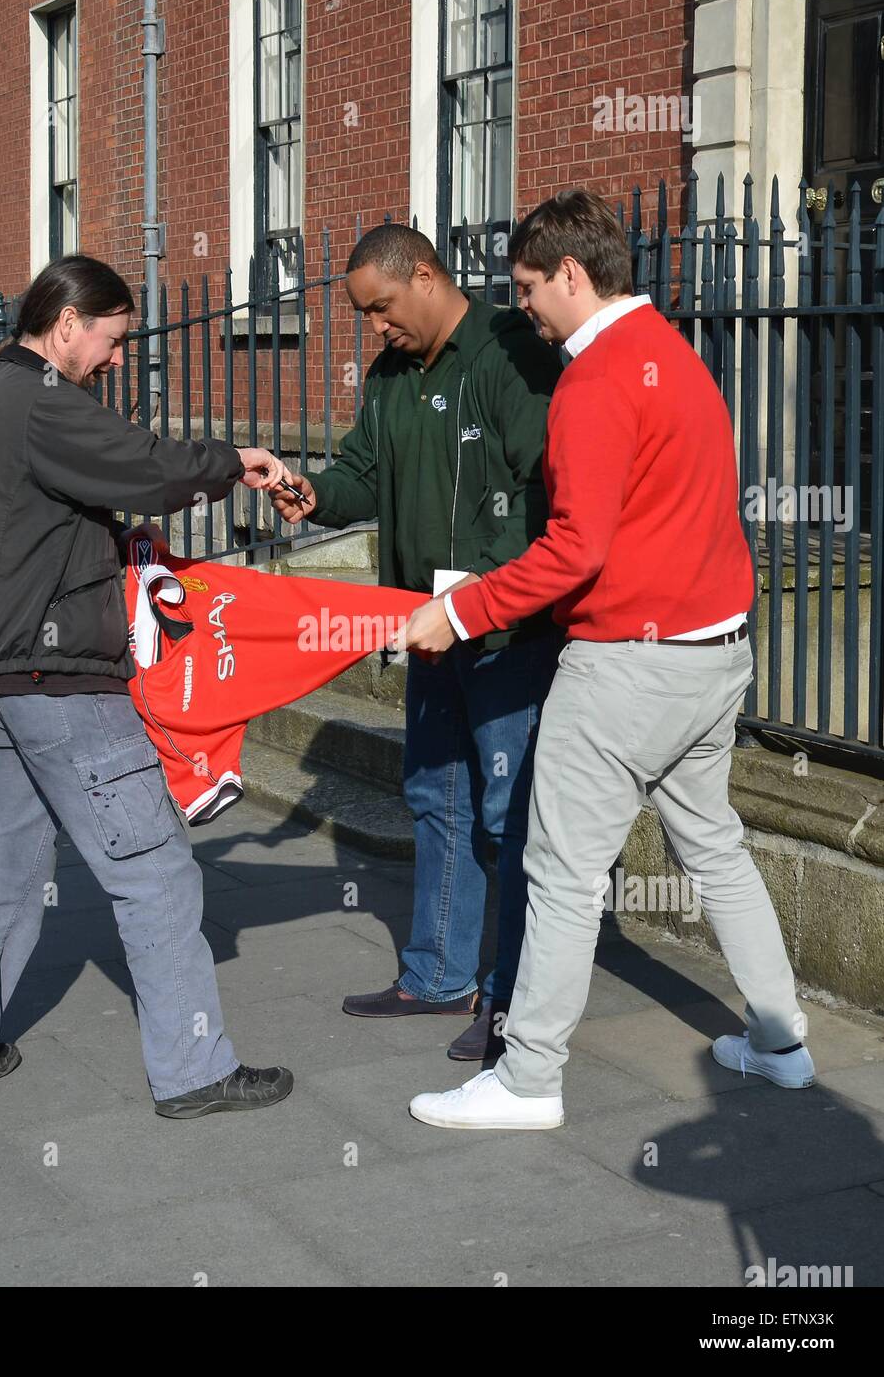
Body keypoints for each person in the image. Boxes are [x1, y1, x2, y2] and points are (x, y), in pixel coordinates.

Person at [400, 190, 814, 1129]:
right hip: (715, 657)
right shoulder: (675, 356)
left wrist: (458, 613)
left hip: (628, 667)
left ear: (572, 276)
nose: (524, 309)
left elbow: (571, 550)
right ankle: (783, 1045)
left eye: (528, 288)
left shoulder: (593, 382)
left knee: (556, 870)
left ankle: (527, 1078)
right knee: (715, 850)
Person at [0, 254, 293, 1120]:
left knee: (3, 867)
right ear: (69, 323)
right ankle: (194, 1071)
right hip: (58, 678)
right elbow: (147, 467)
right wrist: (234, 460)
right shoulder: (42, 399)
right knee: (152, 866)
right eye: (114, 339)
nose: (118, 358)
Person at [270, 224, 563, 1061]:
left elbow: (545, 490)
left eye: (383, 309)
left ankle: (513, 1004)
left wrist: (486, 591)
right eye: (364, 314)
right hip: (426, 627)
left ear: (426, 277)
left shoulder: (511, 353)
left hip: (509, 629)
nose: (376, 328)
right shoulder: (391, 375)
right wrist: (308, 492)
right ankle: (437, 978)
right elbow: (362, 473)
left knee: (510, 817)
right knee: (436, 795)